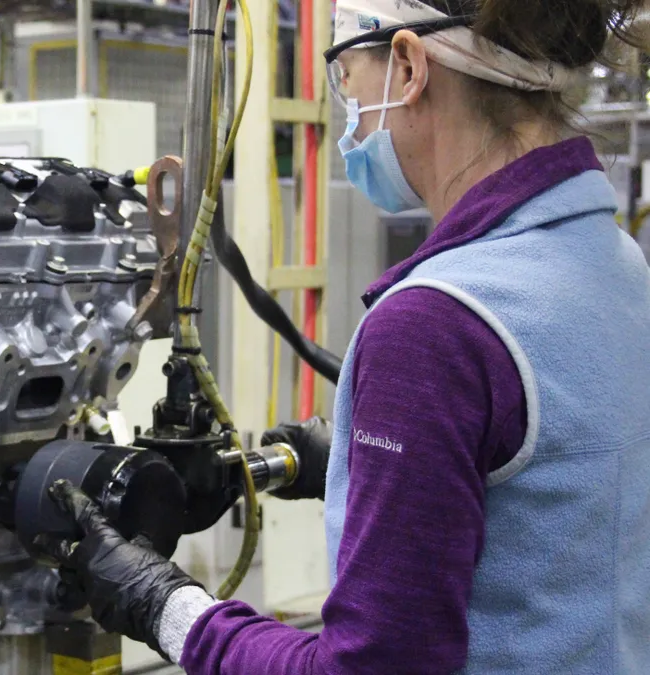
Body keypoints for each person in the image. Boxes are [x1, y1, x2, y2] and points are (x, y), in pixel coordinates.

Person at [34, 0, 650, 672]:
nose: (346, 109)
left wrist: (168, 608)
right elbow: (563, 497)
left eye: (346, 76)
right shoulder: (619, 263)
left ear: (410, 66)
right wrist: (375, 467)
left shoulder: (435, 326)